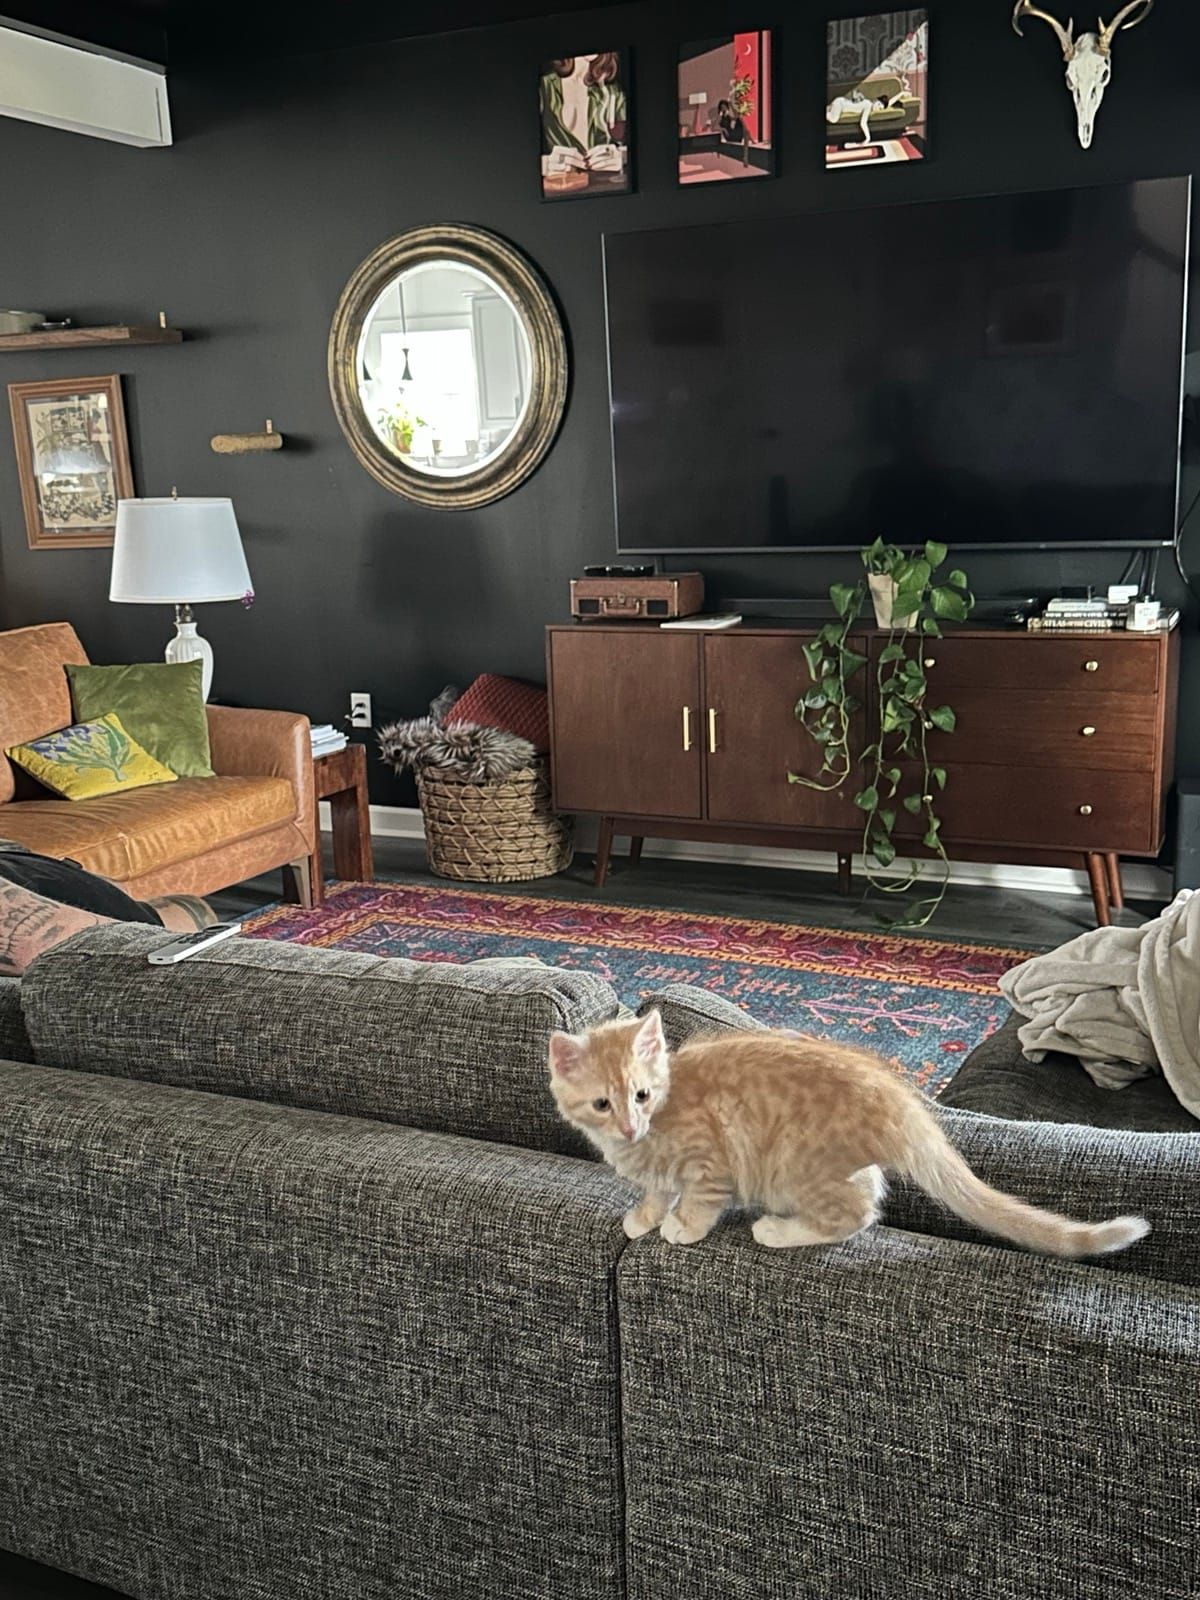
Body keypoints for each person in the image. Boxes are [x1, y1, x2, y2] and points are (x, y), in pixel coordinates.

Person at [0, 840, 216, 976]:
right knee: (191, 911)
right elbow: (29, 947)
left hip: (23, 858)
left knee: (189, 906)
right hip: (142, 936)